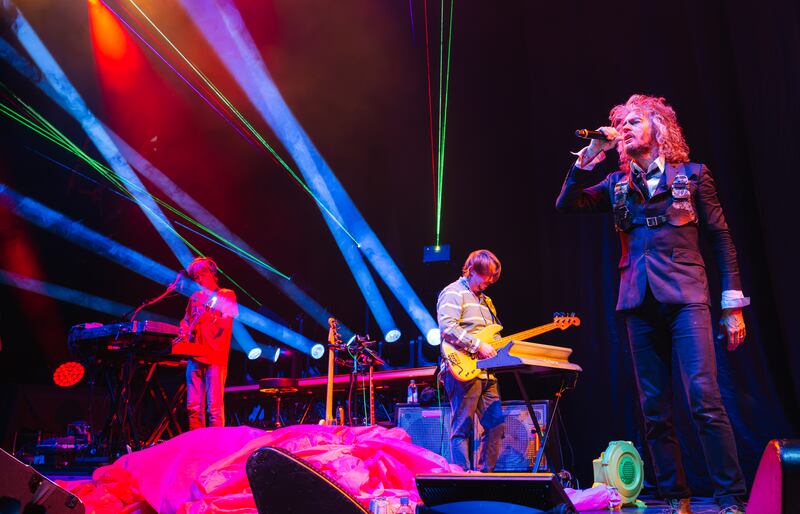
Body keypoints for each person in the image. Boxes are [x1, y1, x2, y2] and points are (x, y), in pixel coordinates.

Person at [555, 95, 748, 514]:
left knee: (704, 398)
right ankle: (675, 497)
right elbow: (567, 204)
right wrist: (590, 157)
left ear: (659, 128)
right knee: (654, 409)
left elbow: (721, 238)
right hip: (637, 303)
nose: (625, 128)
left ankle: (731, 498)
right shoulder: (617, 185)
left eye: (634, 121)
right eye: (621, 123)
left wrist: (732, 304)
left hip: (686, 299)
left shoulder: (693, 176)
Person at [437, 249, 505, 472]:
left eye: (493, 276)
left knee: (496, 425)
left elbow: (493, 336)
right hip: (462, 369)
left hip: (487, 372)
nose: (489, 280)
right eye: (486, 275)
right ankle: (461, 478)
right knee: (462, 428)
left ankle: (486, 477)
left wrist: (503, 348)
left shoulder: (487, 301)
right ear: (472, 270)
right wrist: (477, 346)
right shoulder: (453, 292)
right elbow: (447, 327)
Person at [177, 256, 238, 430]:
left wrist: (209, 317)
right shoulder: (195, 298)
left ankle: (215, 444)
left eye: (202, 274)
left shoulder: (226, 294)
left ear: (212, 273)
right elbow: (185, 322)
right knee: (193, 407)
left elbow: (227, 323)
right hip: (194, 355)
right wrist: (183, 329)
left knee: (214, 408)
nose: (199, 279)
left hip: (215, 356)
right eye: (196, 277)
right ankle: (197, 444)